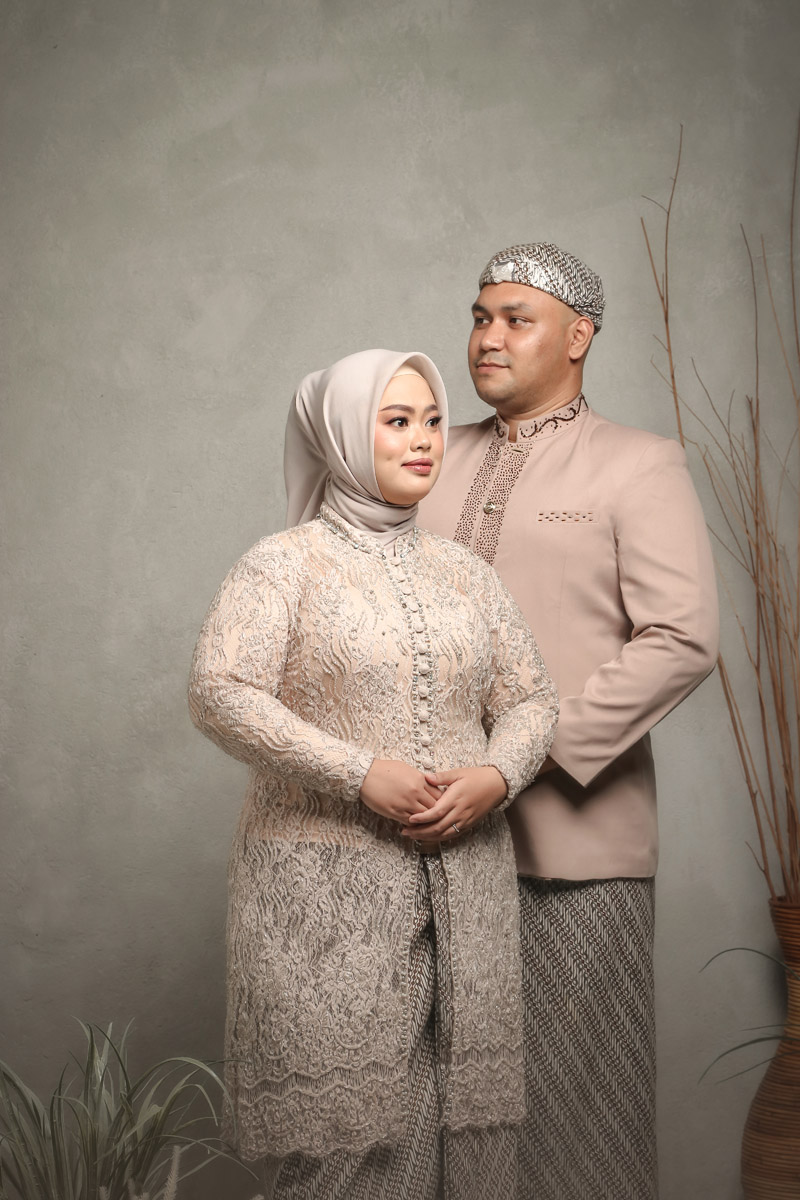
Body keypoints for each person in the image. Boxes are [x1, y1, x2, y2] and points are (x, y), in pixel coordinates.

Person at [188, 348, 558, 1200]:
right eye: (397, 422)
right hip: (322, 907)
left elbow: (532, 700)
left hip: (470, 894)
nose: (425, 439)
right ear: (346, 436)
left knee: (469, 1146)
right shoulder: (282, 565)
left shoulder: (467, 574)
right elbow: (219, 691)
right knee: (344, 1154)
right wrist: (359, 773)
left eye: (432, 420)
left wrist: (496, 776)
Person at [418, 243, 719, 1200]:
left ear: (579, 336)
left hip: (576, 846)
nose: (488, 337)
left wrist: (516, 760)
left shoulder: (639, 463)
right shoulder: (428, 457)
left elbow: (681, 639)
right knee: (436, 1112)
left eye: (517, 319)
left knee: (579, 1119)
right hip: (425, 841)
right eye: (480, 317)